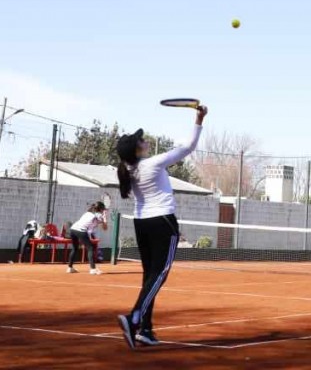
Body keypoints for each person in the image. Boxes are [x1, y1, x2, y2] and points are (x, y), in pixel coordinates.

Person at [115, 105, 207, 350]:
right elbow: (188, 147)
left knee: (149, 275)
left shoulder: (128, 170)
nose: (145, 141)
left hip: (141, 222)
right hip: (163, 221)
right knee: (160, 273)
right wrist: (199, 119)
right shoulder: (152, 164)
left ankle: (146, 329)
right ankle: (134, 318)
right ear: (137, 149)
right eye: (141, 140)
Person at [67, 202, 108, 275]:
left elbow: (91, 224)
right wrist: (105, 217)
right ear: (101, 209)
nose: (103, 210)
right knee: (90, 248)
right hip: (81, 231)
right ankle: (93, 269)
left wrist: (103, 217)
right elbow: (105, 228)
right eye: (103, 209)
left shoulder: (87, 213)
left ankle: (70, 268)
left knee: (75, 248)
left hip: (73, 229)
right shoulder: (98, 215)